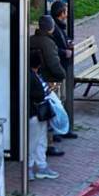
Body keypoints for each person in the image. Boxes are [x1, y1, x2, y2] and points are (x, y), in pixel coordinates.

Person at [49, 1, 78, 142]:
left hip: (62, 69)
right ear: (61, 13)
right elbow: (53, 49)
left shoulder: (59, 27)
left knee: (62, 98)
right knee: (57, 100)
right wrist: (65, 51)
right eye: (65, 12)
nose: (67, 15)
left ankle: (62, 129)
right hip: (57, 70)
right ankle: (57, 131)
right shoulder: (54, 29)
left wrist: (68, 42)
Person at [28, 51, 58, 180]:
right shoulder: (33, 77)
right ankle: (31, 168)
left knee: (38, 140)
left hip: (36, 114)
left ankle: (40, 166)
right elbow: (39, 94)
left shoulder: (29, 75)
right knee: (35, 142)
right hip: (35, 114)